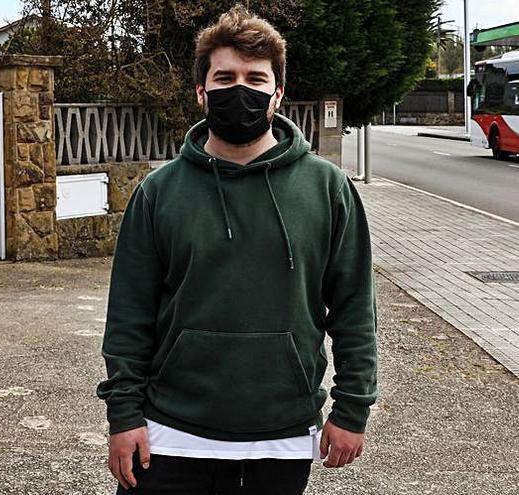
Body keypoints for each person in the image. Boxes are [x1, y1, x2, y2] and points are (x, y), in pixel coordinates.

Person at [95, 6, 378, 494]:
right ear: (202, 91)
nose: (240, 89)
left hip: (282, 434)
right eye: (224, 77)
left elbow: (354, 306)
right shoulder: (160, 191)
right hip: (170, 432)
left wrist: (352, 408)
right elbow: (129, 313)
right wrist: (123, 415)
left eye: (255, 77)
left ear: (277, 92)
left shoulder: (326, 187)